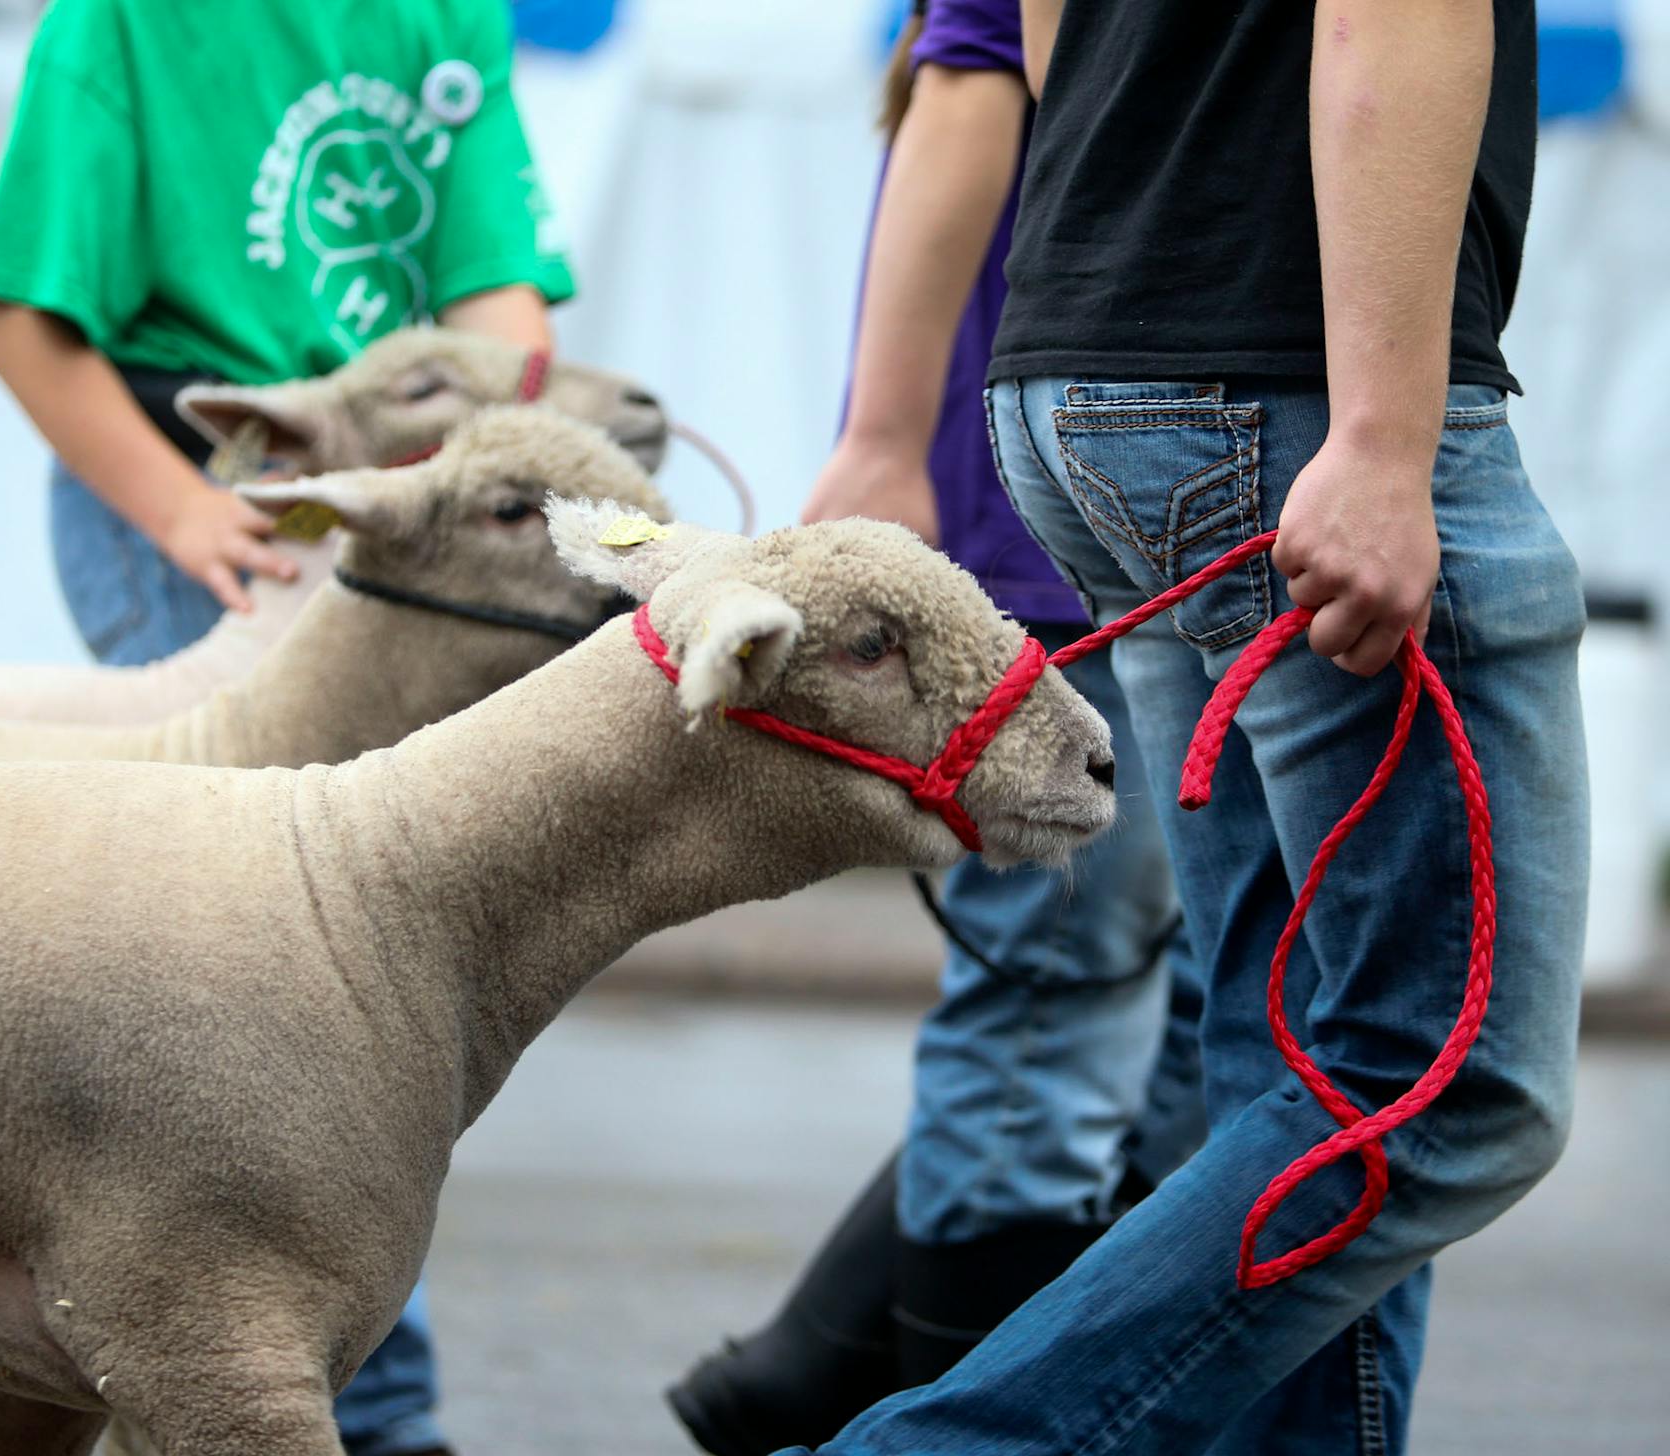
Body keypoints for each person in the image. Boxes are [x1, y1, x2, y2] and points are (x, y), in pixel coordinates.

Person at [790, 2, 1584, 1452]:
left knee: (1301, 1071)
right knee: (1442, 1088)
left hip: (1096, 356)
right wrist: (1389, 435)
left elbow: (1018, 36)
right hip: (1275, 371)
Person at [0, 5, 575, 1452]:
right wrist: (179, 507)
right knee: (283, 960)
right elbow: (19, 310)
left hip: (378, 498)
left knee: (342, 951)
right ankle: (366, 1404)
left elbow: (505, 307)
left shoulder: (441, 15)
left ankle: (71, 1356)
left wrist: (468, 459)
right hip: (198, 480)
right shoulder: (122, 19)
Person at [664, 7, 1203, 1452]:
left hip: (1186, 511)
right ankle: (953, 1427)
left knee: (1175, 1014)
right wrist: (885, 437)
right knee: (1056, 1007)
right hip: (1073, 519)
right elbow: (969, 70)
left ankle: (796, 1382)